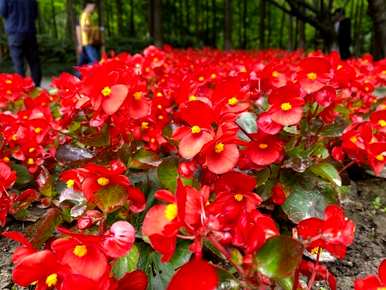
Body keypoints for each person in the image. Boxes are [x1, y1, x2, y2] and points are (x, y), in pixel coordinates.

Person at [0, 0, 42, 86]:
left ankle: (22, 89)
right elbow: (35, 14)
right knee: (34, 62)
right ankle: (37, 87)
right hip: (30, 32)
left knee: (18, 63)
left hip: (14, 33)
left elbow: (3, 12)